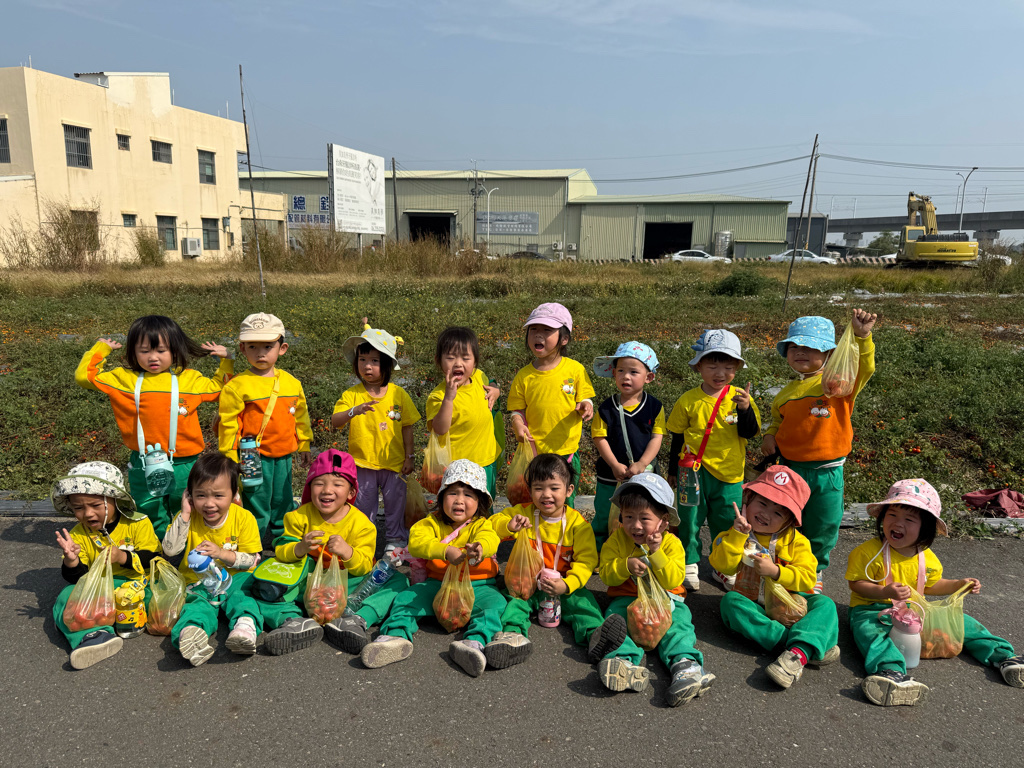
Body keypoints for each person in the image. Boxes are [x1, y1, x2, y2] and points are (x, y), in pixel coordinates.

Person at [847, 479, 1024, 706]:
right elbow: (856, 584)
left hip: (914, 611)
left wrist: (958, 584)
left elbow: (930, 585)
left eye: (909, 519)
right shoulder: (867, 552)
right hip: (872, 610)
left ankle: (1004, 657)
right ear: (882, 518)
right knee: (870, 634)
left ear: (926, 528)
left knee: (964, 624)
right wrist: (883, 591)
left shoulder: (926, 557)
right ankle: (890, 672)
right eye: (892, 515)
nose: (898, 523)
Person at [229, 449, 409, 655]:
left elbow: (364, 566)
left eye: (337, 484)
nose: (327, 490)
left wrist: (348, 553)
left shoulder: (363, 525)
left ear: (351, 493)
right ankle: (291, 620)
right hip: (305, 584)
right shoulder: (299, 516)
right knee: (258, 582)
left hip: (347, 587)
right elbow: (281, 551)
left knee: (397, 581)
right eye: (319, 483)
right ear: (309, 487)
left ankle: (357, 620)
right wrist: (299, 547)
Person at [74, 315, 232, 537]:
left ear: (175, 351)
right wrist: (101, 348)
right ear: (133, 352)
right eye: (144, 351)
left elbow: (223, 390)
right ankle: (155, 547)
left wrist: (227, 360)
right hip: (144, 461)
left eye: (161, 350)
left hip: (185, 462)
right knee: (149, 508)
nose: (153, 357)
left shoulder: (189, 380)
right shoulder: (123, 379)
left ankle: (186, 543)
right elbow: (84, 377)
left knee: (188, 505)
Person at [762, 309, 876, 592]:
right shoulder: (785, 393)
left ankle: (813, 569)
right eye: (794, 347)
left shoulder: (838, 385)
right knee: (787, 520)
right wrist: (770, 435)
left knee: (824, 524)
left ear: (828, 353)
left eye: (810, 347)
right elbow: (778, 420)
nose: (800, 352)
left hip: (827, 473)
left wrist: (862, 337)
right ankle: (787, 566)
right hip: (790, 469)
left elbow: (864, 368)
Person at [360, 459, 506, 677]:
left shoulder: (481, 524)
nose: (459, 500)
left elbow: (490, 538)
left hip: (478, 586)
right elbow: (417, 542)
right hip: (436, 584)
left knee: (495, 604)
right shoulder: (431, 522)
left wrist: (480, 547)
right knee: (406, 598)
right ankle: (395, 636)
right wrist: (445, 551)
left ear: (480, 501)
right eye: (452, 493)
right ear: (441, 497)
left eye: (468, 495)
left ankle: (474, 643)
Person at [709, 465, 840, 689]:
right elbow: (723, 566)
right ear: (748, 500)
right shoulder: (733, 534)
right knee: (730, 603)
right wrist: (737, 536)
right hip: (754, 604)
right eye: (762, 503)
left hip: (792, 605)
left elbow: (808, 578)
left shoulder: (797, 542)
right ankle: (801, 647)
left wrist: (777, 572)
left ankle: (800, 648)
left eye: (778, 513)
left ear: (789, 520)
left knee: (825, 604)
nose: (765, 514)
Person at [596, 473, 715, 707]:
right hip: (628, 599)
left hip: (668, 600)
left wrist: (657, 553)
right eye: (628, 517)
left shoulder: (671, 543)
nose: (635, 525)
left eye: (644, 518)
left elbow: (674, 579)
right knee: (615, 620)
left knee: (679, 624)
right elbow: (606, 574)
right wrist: (625, 565)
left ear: (663, 521)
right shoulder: (617, 540)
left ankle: (685, 665)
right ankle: (623, 662)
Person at [485, 454, 605, 669]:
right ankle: (512, 637)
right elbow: (492, 524)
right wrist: (509, 526)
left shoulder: (577, 525)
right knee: (515, 602)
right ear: (530, 490)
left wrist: (568, 584)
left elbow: (586, 561)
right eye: (538, 488)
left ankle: (597, 637)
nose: (546, 495)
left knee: (583, 605)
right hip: (528, 583)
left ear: (569, 490)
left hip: (563, 585)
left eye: (554, 488)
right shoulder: (524, 513)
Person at [666, 329, 760, 592]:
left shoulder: (740, 398)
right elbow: (677, 436)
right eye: (712, 366)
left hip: (729, 473)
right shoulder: (688, 400)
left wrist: (745, 409)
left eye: (728, 367)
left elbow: (749, 433)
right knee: (690, 517)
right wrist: (672, 469)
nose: (720, 373)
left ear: (737, 368)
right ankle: (689, 560)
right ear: (698, 366)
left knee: (726, 519)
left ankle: (723, 564)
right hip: (692, 471)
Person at [51, 462, 159, 669]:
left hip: (136, 587)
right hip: (101, 592)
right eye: (78, 508)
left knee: (160, 599)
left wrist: (122, 557)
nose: (88, 514)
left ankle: (90, 624)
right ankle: (94, 637)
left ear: (115, 500)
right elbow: (77, 579)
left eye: (95, 505)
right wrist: (71, 560)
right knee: (66, 596)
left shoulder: (137, 523)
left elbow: (154, 557)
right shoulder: (78, 534)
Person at [219, 312, 312, 546]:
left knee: (283, 497)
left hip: (284, 455)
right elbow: (229, 423)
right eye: (253, 346)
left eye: (268, 346)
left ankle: (284, 540)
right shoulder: (237, 386)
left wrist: (304, 444)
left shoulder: (292, 383)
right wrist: (230, 456)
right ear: (242, 349)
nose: (260, 353)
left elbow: (301, 416)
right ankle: (252, 543)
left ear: (282, 348)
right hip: (252, 456)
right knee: (256, 500)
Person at [162, 453, 262, 666]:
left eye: (218, 496)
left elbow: (251, 560)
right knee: (197, 605)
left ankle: (244, 627)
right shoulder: (188, 518)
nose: (209, 504)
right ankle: (191, 632)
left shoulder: (244, 518)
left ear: (234, 494)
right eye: (200, 495)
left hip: (235, 579)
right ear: (189, 495)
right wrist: (185, 513)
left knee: (243, 598)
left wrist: (221, 554)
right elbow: (170, 550)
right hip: (199, 581)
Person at [331, 319, 421, 554]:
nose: (367, 366)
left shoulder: (398, 394)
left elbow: (407, 427)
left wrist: (410, 457)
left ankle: (395, 540)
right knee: (363, 505)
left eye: (374, 361)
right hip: (362, 463)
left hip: (394, 464)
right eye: (362, 360)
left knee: (395, 503)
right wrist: (353, 411)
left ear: (387, 365)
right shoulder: (352, 395)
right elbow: (335, 421)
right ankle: (365, 541)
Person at [507, 302, 595, 507]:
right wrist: (518, 424)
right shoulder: (524, 376)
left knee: (563, 500)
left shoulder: (575, 370)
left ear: (564, 339)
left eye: (547, 330)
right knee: (536, 501)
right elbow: (517, 411)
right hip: (534, 453)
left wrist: (586, 405)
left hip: (565, 451)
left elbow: (585, 397)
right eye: (533, 329)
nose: (538, 335)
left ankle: (563, 527)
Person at [590, 342, 667, 551]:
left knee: (641, 515)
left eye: (634, 372)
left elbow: (656, 437)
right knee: (604, 513)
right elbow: (599, 438)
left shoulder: (654, 407)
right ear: (613, 373)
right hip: (610, 475)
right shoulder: (606, 408)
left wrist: (642, 463)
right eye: (621, 371)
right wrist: (614, 464)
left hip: (644, 476)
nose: (626, 377)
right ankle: (598, 550)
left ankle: (639, 549)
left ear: (648, 377)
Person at [425, 326, 502, 501]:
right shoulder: (438, 396)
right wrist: (449, 398)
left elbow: (492, 383)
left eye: (466, 358)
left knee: (484, 505)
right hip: (457, 470)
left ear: (475, 362)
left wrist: (496, 391)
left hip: (486, 460)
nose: (458, 363)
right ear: (438, 361)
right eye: (450, 358)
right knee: (459, 507)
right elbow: (440, 429)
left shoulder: (479, 377)